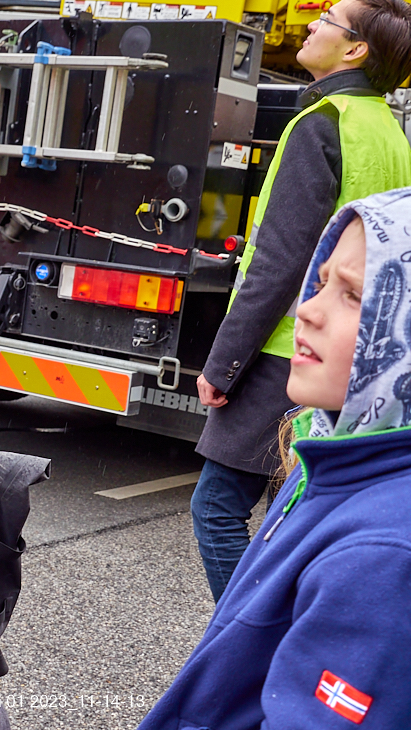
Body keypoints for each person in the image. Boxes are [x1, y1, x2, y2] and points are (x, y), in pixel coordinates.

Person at [137, 187, 411, 730]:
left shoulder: (382, 555)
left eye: (354, 296)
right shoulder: (327, 452)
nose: (307, 309)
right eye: (324, 280)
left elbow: (275, 257)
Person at [190, 0, 411, 602]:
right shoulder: (387, 129)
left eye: (327, 21)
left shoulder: (321, 122)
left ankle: (247, 647)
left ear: (355, 48)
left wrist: (223, 363)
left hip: (287, 350)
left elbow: (279, 261)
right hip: (351, 351)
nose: (310, 24)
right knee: (296, 508)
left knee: (215, 507)